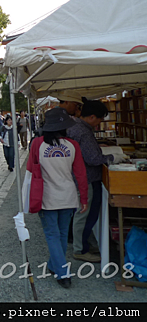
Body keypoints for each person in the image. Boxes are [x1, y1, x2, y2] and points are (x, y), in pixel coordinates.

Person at [28, 107, 88, 288]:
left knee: (52, 235)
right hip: (68, 196)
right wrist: (83, 198)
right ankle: (55, 266)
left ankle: (63, 273)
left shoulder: (38, 144)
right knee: (61, 234)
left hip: (47, 197)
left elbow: (31, 170)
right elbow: (81, 174)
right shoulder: (72, 145)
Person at [67, 100, 125, 263]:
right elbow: (92, 158)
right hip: (88, 178)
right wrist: (112, 157)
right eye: (99, 119)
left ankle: (83, 244)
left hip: (82, 177)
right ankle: (80, 249)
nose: (100, 123)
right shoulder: (83, 131)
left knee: (84, 213)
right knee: (85, 213)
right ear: (92, 117)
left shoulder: (76, 126)